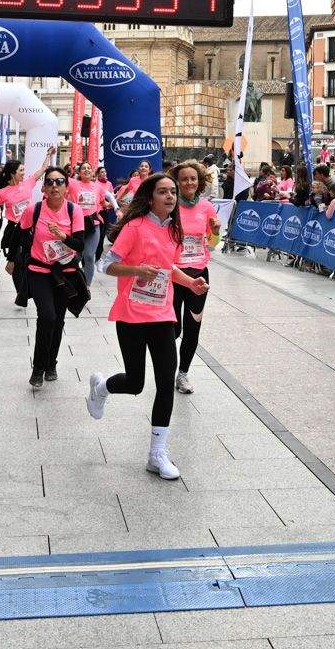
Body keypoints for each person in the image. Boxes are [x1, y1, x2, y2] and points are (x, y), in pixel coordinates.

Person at [86, 173, 209, 481]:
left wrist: (190, 282)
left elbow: (169, 268)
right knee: (136, 382)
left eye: (173, 192)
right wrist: (137, 270)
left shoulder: (175, 230)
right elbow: (105, 265)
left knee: (166, 382)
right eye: (163, 191)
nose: (170, 196)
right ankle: (101, 388)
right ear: (150, 197)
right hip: (131, 314)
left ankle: (157, 454)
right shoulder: (135, 227)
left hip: (163, 314)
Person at [13, 169, 87, 387]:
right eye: (50, 182)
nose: (55, 186)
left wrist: (63, 236)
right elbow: (19, 234)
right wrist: (12, 259)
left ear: (66, 187)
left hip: (65, 273)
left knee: (58, 320)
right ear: (44, 188)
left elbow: (80, 245)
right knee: (47, 316)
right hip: (39, 270)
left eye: (60, 182)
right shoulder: (34, 210)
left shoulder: (74, 210)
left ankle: (51, 364)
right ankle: (38, 368)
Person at [171, 161, 220, 395]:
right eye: (184, 179)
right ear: (177, 182)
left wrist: (216, 232)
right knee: (173, 329)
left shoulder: (206, 207)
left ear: (199, 182)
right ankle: (166, 368)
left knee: (192, 328)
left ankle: (182, 374)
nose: (189, 183)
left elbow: (212, 243)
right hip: (174, 274)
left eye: (193, 179)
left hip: (199, 275)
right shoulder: (170, 205)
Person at [69, 163, 115, 286]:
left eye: (89, 168)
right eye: (84, 168)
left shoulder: (98, 187)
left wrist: (114, 206)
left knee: (89, 256)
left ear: (92, 172)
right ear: (79, 172)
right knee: (76, 257)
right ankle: (71, 281)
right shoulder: (73, 184)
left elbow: (104, 201)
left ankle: (86, 287)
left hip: (93, 224)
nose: (86, 170)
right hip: (77, 226)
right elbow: (58, 177)